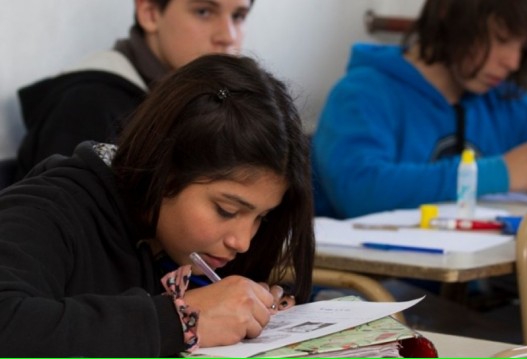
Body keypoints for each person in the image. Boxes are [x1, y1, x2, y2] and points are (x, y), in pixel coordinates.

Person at [0, 54, 315, 356]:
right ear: (164, 170)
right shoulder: (53, 207)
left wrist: (257, 305)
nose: (243, 242)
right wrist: (180, 320)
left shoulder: (188, 243)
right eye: (226, 210)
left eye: (262, 217)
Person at [311, 0, 527, 219]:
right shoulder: (362, 93)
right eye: (501, 40)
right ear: (450, 15)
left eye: (522, 48)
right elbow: (360, 190)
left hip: (470, 290)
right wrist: (501, 173)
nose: (512, 62)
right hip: (375, 292)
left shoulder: (503, 100)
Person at [14, 0, 253, 181]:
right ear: (149, 13)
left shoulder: (205, 101)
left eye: (238, 16)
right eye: (204, 11)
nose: (228, 36)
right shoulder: (88, 105)